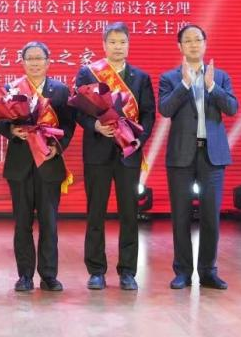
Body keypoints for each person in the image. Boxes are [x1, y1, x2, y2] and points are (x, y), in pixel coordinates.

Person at [74, 22, 155, 291]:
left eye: (122, 42)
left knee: (129, 214)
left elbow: (148, 114)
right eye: (113, 42)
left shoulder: (140, 78)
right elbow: (78, 111)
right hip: (97, 151)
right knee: (95, 213)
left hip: (128, 153)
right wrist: (95, 126)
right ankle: (96, 270)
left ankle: (128, 271)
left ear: (128, 45)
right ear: (104, 45)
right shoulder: (88, 73)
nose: (118, 47)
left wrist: (138, 140)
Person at [158, 24, 238, 291]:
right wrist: (184, 85)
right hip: (181, 155)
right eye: (188, 41)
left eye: (198, 40)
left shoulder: (220, 76)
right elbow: (165, 109)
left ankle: (208, 272)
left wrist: (212, 86)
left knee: (210, 216)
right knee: (180, 216)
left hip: (212, 156)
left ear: (205, 44)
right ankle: (182, 271)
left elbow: (232, 108)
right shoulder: (169, 78)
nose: (193, 44)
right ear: (179, 46)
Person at [0, 41, 75, 292]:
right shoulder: (12, 89)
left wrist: (57, 148)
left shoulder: (60, 91)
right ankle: (25, 276)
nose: (35, 63)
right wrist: (11, 130)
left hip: (49, 164)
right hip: (19, 166)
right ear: (23, 62)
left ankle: (49, 275)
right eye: (30, 58)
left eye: (39, 58)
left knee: (49, 223)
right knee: (22, 223)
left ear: (48, 62)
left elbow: (69, 125)